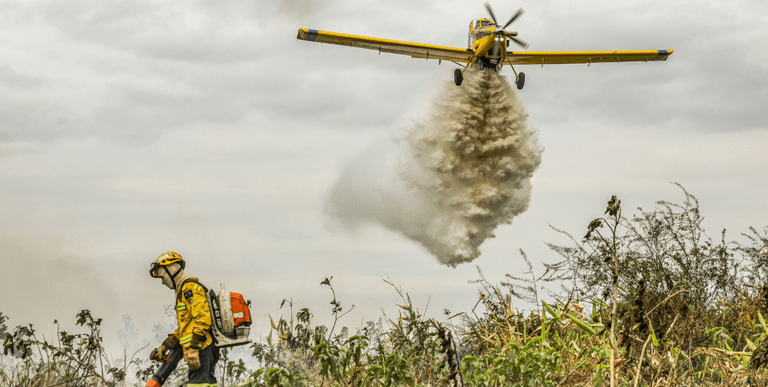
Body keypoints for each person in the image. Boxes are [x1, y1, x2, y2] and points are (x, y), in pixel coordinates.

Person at [146, 251, 219, 387]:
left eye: (162, 277)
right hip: (198, 350)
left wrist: (193, 349)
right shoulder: (183, 292)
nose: (163, 282)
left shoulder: (189, 288)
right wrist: (164, 346)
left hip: (201, 349)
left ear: (171, 269)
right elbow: (184, 330)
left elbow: (203, 319)